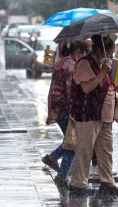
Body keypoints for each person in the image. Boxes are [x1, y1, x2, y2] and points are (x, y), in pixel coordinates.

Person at [69, 34, 118, 196]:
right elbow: (86, 88)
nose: (112, 57)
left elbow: (103, 85)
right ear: (101, 51)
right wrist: (103, 73)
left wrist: (115, 87)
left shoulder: (102, 65)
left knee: (105, 151)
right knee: (85, 150)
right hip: (88, 114)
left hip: (105, 116)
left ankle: (107, 182)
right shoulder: (85, 64)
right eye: (110, 53)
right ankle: (79, 184)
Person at [42, 40, 91, 187]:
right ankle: (62, 174)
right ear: (77, 52)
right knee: (73, 142)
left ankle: (53, 158)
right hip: (64, 108)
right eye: (84, 54)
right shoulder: (70, 66)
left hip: (58, 107)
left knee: (71, 140)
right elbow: (71, 92)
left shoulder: (64, 61)